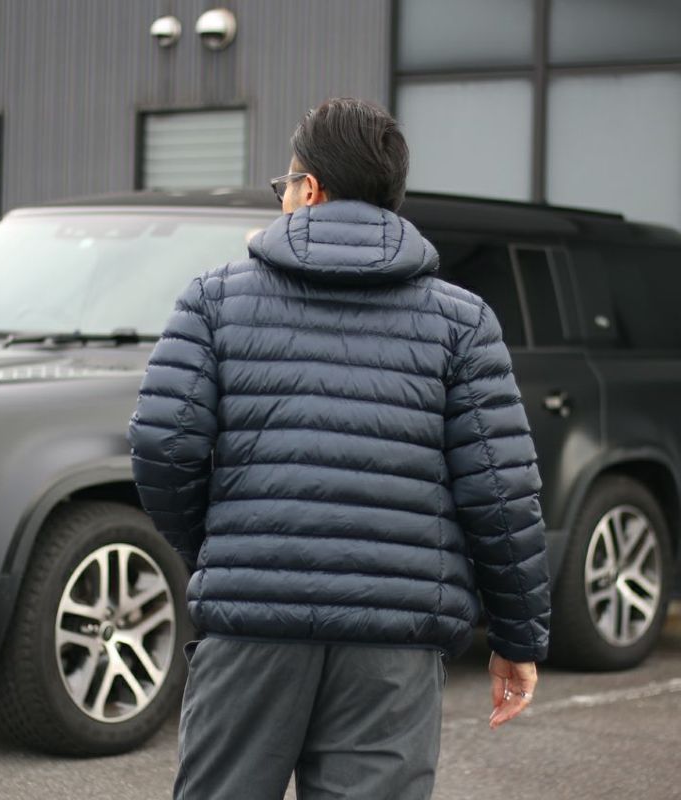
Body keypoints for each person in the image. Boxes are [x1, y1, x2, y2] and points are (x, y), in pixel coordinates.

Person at [128, 97, 550, 800]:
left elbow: (162, 446)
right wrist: (517, 637)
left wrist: (222, 549)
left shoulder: (214, 300)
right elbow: (502, 491)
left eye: (285, 183)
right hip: (394, 638)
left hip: (252, 626)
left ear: (310, 189)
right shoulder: (462, 322)